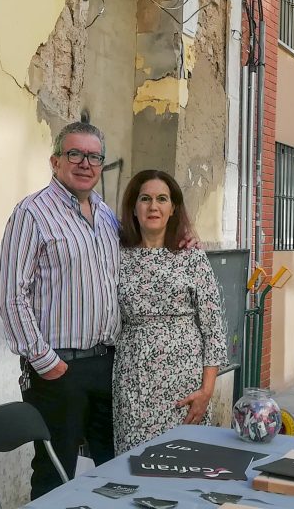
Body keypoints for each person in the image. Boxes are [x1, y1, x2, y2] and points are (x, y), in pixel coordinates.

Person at [0, 122, 120, 499]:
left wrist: (184, 235)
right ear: (55, 161)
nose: (85, 163)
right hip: (59, 371)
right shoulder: (32, 213)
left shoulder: (106, 214)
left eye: (94, 156)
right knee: (55, 475)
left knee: (114, 467)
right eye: (75, 154)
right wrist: (42, 358)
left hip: (107, 364)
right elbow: (10, 294)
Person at [112, 169, 226, 455]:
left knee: (185, 462)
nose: (153, 206)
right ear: (134, 208)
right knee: (133, 463)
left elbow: (213, 329)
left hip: (185, 385)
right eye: (145, 199)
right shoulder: (117, 256)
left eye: (162, 199)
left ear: (173, 208)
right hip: (133, 382)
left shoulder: (192, 257)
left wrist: (207, 391)